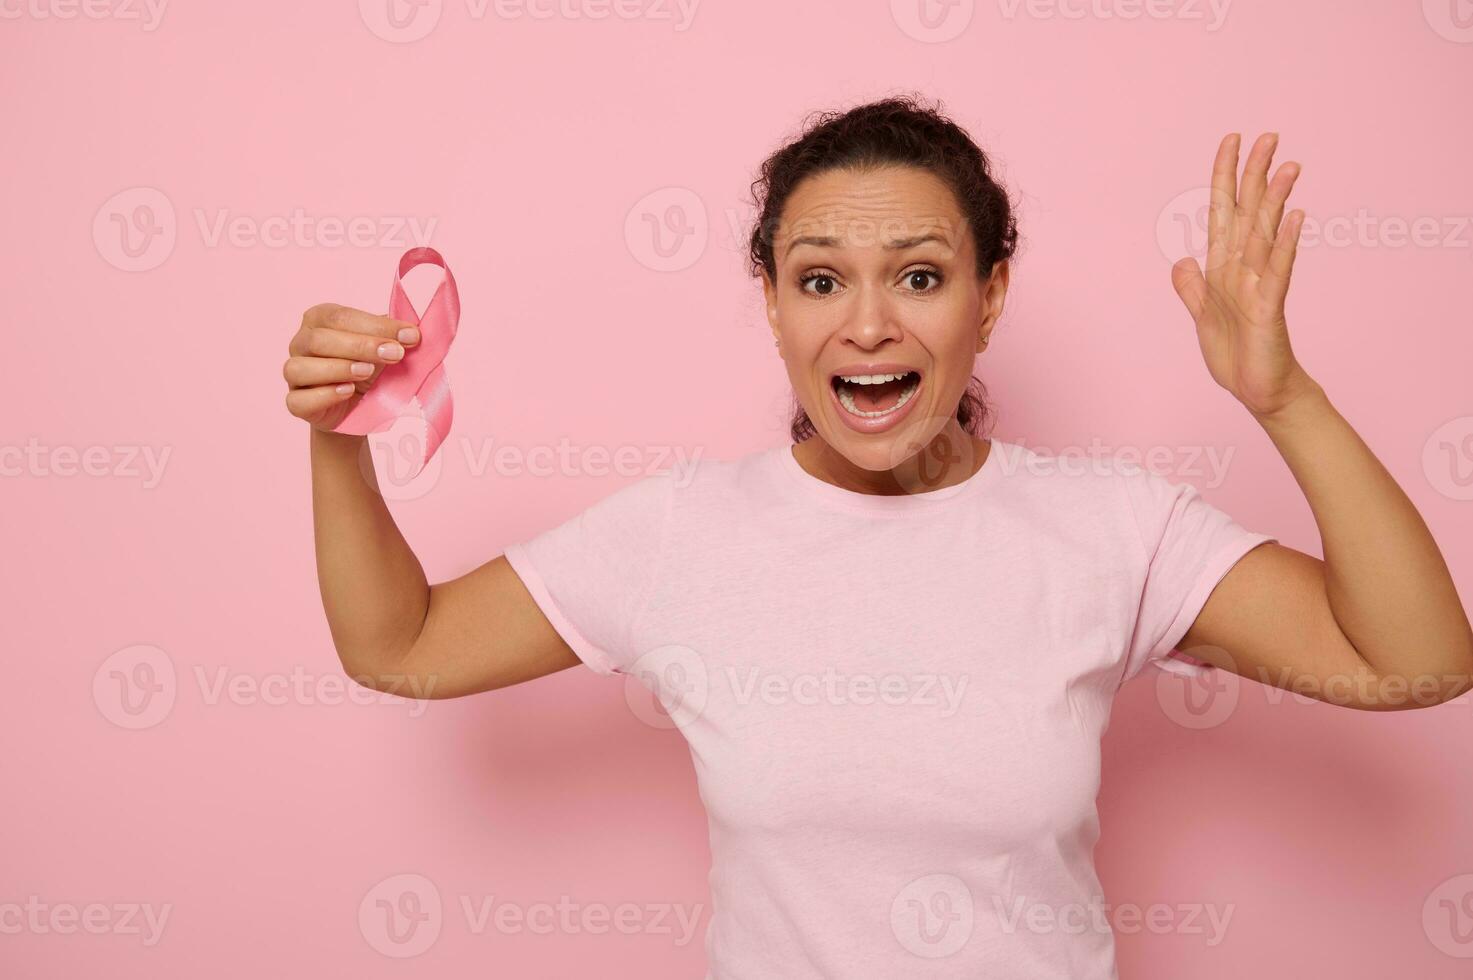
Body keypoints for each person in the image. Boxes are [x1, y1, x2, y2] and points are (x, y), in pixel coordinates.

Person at [281, 95, 1473, 978]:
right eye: (818, 280)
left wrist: (1283, 399)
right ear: (770, 299)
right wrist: (341, 438)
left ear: (990, 294)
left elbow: (1413, 657)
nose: (865, 324)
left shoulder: (1113, 528)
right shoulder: (683, 533)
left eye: (918, 275)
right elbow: (405, 644)